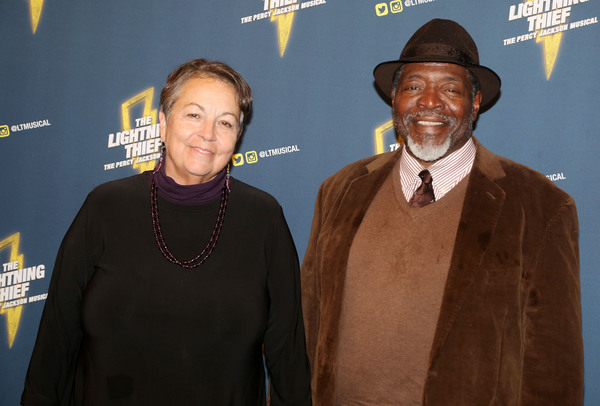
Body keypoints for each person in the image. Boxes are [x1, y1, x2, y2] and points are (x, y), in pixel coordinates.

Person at [301, 19, 583, 405]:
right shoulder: (340, 189)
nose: (430, 102)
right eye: (414, 87)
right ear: (394, 98)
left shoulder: (540, 206)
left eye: (450, 89)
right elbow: (307, 322)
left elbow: (553, 366)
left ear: (476, 101)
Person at [22, 59, 311, 405]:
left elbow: (288, 359)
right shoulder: (105, 206)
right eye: (194, 115)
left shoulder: (264, 218)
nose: (208, 133)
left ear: (237, 136)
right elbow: (56, 341)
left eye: (226, 122)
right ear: (162, 122)